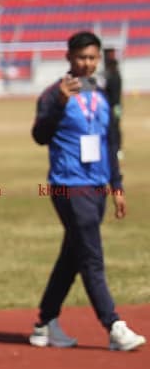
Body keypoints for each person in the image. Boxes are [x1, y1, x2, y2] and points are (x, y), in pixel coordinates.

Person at [30, 31, 144, 352]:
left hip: (96, 186)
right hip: (69, 185)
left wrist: (117, 185)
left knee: (73, 257)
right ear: (69, 57)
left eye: (92, 58)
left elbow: (109, 142)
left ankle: (44, 324)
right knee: (92, 257)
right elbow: (39, 135)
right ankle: (114, 326)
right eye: (81, 57)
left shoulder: (101, 94)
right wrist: (59, 105)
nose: (87, 63)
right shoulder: (54, 94)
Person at [103, 48, 122, 160]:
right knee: (115, 127)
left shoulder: (112, 78)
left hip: (113, 106)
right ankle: (117, 148)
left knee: (114, 127)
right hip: (117, 106)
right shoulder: (117, 76)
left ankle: (116, 148)